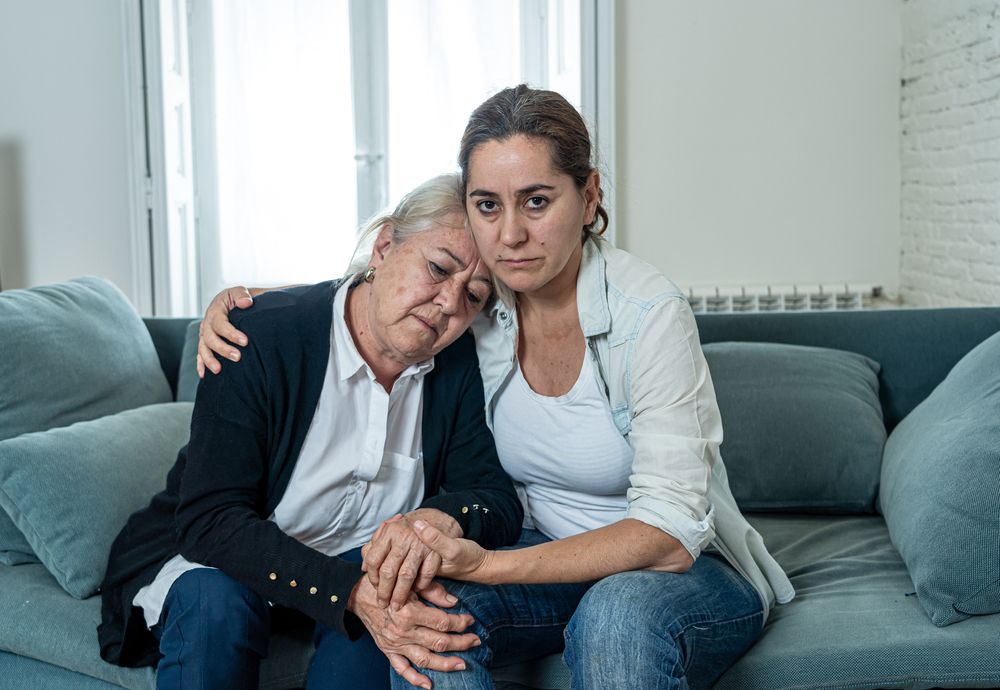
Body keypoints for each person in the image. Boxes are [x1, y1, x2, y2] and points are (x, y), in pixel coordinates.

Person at [199, 86, 795, 690]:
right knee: (427, 616)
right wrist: (246, 305)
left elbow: (669, 536)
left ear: (588, 197)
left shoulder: (649, 314)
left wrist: (488, 564)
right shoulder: (478, 303)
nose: (509, 235)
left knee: (615, 617)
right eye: (487, 205)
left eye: (536, 202)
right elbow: (386, 288)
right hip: (540, 555)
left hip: (679, 572)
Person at [97, 174, 524, 690]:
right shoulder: (259, 337)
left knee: (397, 606)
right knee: (215, 605)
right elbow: (210, 521)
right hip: (224, 562)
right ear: (385, 246)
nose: (450, 304)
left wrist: (440, 517)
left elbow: (495, 500)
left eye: (474, 296)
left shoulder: (456, 365)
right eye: (437, 268)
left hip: (360, 570)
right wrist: (346, 591)